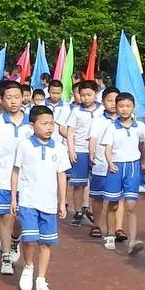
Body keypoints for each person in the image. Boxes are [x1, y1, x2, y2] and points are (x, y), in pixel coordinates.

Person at [10, 105, 69, 290]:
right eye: (44, 123)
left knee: (46, 243)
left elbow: (61, 175)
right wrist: (13, 198)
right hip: (28, 200)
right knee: (29, 239)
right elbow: (16, 171)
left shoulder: (59, 148)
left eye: (51, 123)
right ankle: (28, 267)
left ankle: (41, 278)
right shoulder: (25, 145)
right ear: (32, 125)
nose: (49, 127)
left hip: (49, 203)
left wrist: (62, 201)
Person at [0, 81, 31, 275]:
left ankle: (14, 240)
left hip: (25, 180)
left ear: (23, 97)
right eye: (8, 97)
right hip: (2, 177)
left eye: (17, 97)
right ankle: (6, 257)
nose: (13, 101)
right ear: (1, 100)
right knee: (5, 217)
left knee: (19, 219)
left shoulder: (31, 122)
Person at [102, 93, 145, 254]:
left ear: (133, 107)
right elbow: (107, 147)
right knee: (113, 203)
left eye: (128, 106)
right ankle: (109, 234)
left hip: (133, 167)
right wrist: (110, 162)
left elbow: (142, 145)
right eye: (121, 106)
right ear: (117, 107)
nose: (124, 109)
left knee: (131, 205)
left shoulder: (140, 126)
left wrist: (143, 161)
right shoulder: (112, 126)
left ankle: (133, 240)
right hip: (116, 167)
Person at [64, 80, 102, 226]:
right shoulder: (76, 111)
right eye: (83, 95)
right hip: (80, 150)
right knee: (79, 184)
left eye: (89, 95)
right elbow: (70, 132)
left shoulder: (102, 110)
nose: (86, 98)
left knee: (96, 183)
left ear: (96, 94)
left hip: (98, 151)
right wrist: (71, 150)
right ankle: (78, 211)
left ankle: (91, 209)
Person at [87, 88, 118, 243]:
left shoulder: (126, 120)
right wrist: (91, 153)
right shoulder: (98, 120)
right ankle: (97, 225)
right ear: (103, 102)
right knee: (98, 196)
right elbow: (93, 138)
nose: (113, 104)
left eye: (115, 100)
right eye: (109, 100)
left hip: (118, 166)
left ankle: (117, 228)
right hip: (100, 162)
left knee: (118, 199)